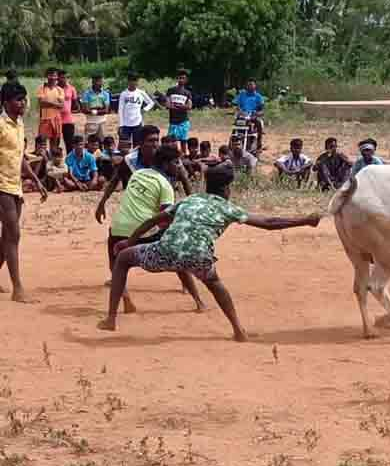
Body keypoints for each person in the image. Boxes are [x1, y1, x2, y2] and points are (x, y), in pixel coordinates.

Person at [98, 165, 321, 340]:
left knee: (124, 259)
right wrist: (304, 220)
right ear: (226, 189)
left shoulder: (190, 200)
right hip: (199, 258)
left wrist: (130, 242)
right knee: (215, 284)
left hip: (164, 251)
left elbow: (154, 220)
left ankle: (111, 319)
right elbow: (269, 223)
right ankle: (239, 330)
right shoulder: (228, 208)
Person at [107, 145, 205, 313]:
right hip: (144, 231)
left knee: (116, 265)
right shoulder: (165, 185)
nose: (180, 166)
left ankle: (127, 301)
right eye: (177, 162)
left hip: (117, 228)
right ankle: (199, 301)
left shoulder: (137, 174)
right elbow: (164, 219)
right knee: (177, 259)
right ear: (166, 164)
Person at [0, 83, 48, 302]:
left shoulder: (18, 125)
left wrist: (36, 180)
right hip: (1, 186)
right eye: (18, 99)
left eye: (23, 99)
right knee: (14, 234)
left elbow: (18, 157)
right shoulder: (0, 125)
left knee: (6, 237)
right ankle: (18, 289)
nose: (23, 103)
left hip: (15, 185)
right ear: (6, 102)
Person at [118, 72, 154, 147]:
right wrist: (121, 125)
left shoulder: (141, 93)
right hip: (126, 124)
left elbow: (151, 103)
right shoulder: (123, 94)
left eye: (135, 80)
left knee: (137, 145)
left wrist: (144, 109)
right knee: (124, 145)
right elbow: (120, 110)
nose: (133, 82)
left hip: (137, 123)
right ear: (128, 81)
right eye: (131, 80)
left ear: (137, 81)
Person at [232, 78, 265, 152]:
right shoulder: (242, 95)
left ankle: (259, 145)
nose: (250, 86)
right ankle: (231, 144)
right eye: (248, 85)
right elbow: (236, 105)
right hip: (242, 116)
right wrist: (239, 110)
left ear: (255, 86)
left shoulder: (258, 96)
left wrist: (256, 113)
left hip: (253, 116)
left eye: (251, 84)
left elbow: (262, 110)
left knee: (259, 123)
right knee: (234, 127)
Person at [165, 69, 193, 155]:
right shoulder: (171, 90)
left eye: (183, 78)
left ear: (186, 80)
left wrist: (177, 106)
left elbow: (189, 106)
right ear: (177, 79)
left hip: (183, 122)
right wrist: (181, 107)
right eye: (180, 78)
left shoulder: (187, 93)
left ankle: (184, 160)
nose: (181, 80)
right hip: (173, 122)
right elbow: (167, 105)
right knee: (171, 144)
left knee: (183, 143)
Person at [36, 67, 65, 150]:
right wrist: (55, 104)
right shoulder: (42, 88)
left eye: (54, 75)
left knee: (54, 143)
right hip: (45, 118)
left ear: (57, 77)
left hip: (56, 119)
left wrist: (48, 103)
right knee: (42, 143)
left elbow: (61, 106)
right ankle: (43, 161)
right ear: (47, 76)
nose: (52, 78)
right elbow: (41, 103)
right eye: (50, 75)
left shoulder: (59, 90)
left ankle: (52, 161)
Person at [80, 74, 111, 140]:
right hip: (90, 122)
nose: (100, 83)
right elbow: (84, 110)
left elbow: (106, 111)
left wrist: (92, 110)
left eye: (101, 81)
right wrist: (100, 108)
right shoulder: (86, 94)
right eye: (98, 81)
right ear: (93, 82)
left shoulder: (106, 94)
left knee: (102, 143)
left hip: (102, 122)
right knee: (89, 143)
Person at [58, 69, 79, 154]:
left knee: (69, 143)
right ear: (58, 78)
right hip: (56, 119)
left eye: (65, 77)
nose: (63, 79)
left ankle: (70, 163)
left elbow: (75, 103)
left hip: (68, 120)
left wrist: (70, 110)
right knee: (56, 143)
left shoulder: (71, 88)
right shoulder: (54, 88)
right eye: (61, 77)